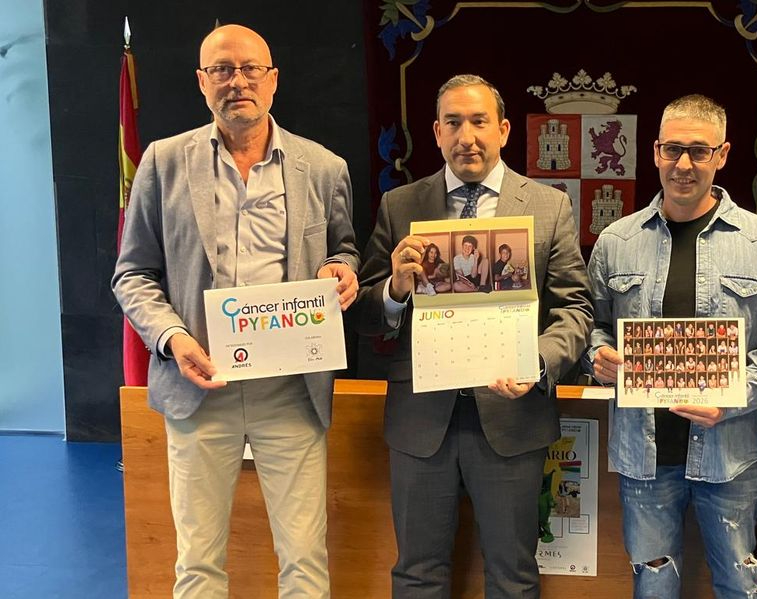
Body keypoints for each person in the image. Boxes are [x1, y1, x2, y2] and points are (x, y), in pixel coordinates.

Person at [111, 25, 359, 598]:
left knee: (304, 561)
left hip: (291, 392)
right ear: (202, 83)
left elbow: (343, 250)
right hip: (200, 387)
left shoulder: (323, 167)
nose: (237, 81)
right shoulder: (163, 162)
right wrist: (172, 338)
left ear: (273, 79)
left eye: (250, 69)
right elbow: (133, 273)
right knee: (197, 564)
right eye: (222, 70)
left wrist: (341, 272)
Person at [353, 74, 592, 599]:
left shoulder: (549, 206)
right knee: (416, 573)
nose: (468, 136)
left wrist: (538, 360)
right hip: (421, 422)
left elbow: (575, 309)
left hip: (512, 419)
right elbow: (366, 316)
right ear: (436, 133)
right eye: (454, 123)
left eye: (480, 121)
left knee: (513, 574)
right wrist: (393, 288)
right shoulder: (401, 206)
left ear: (504, 130)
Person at [585, 95, 757, 599]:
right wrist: (596, 356)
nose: (683, 165)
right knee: (654, 586)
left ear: (722, 155)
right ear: (655, 151)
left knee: (739, 584)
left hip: (729, 455)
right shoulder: (616, 242)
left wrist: (735, 395)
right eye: (673, 150)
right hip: (644, 455)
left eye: (698, 152)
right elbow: (592, 325)